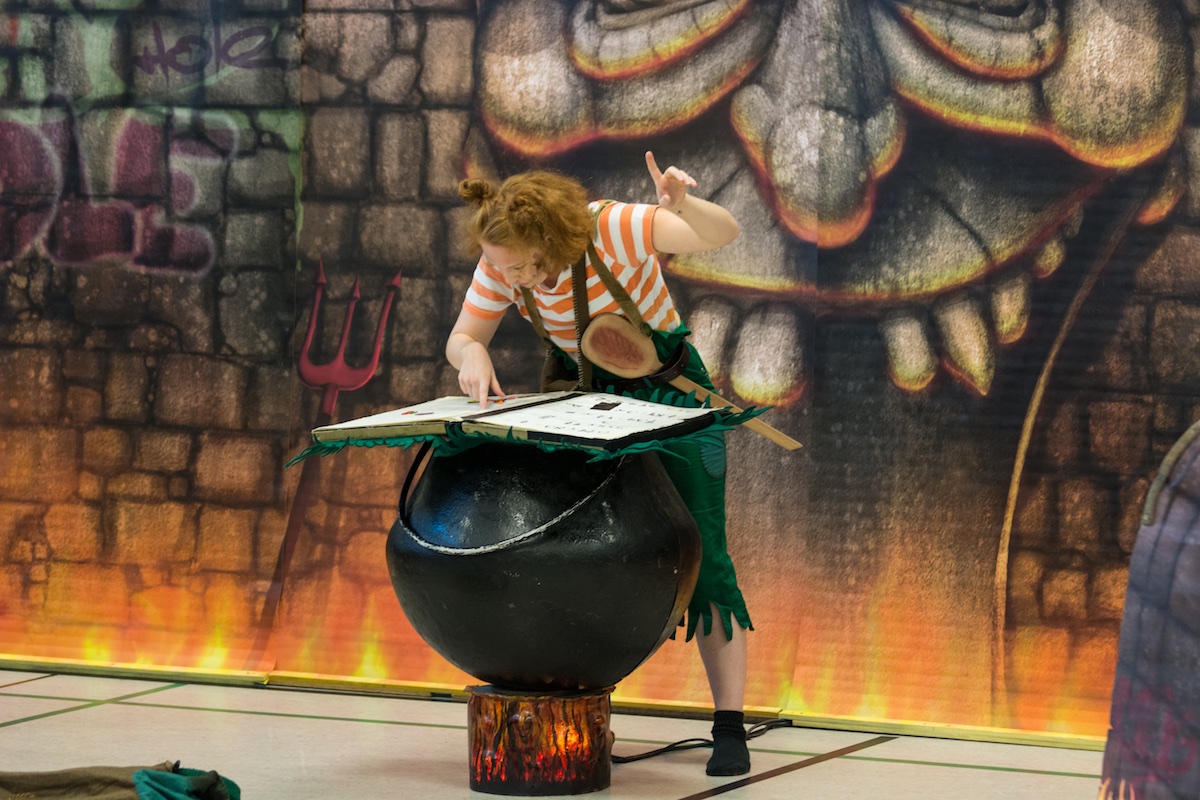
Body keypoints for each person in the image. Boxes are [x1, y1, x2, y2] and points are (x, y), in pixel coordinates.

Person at [445, 152, 753, 777]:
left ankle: (729, 726)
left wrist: (684, 205)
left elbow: (722, 233)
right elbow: (464, 335)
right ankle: (586, 716)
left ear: (549, 239)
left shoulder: (612, 227)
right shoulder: (502, 261)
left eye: (517, 265)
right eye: (499, 266)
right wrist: (471, 353)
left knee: (705, 557)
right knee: (581, 556)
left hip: (670, 396)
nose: (507, 276)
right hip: (587, 404)